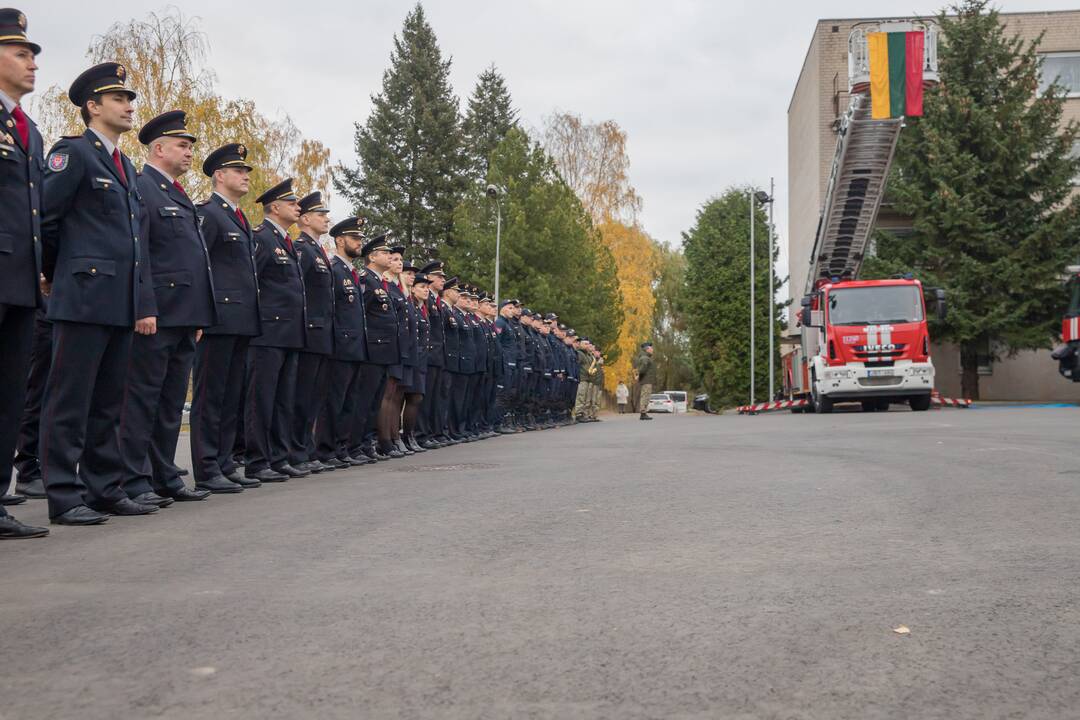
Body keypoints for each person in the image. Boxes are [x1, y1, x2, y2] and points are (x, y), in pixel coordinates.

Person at [40, 62, 156, 524]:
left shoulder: (124, 165)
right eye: (119, 99)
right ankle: (63, 494)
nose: (129, 106)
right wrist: (59, 275)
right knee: (70, 399)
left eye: (129, 99)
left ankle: (105, 487)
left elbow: (134, 241)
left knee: (109, 401)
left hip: (118, 300)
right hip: (83, 295)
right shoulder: (73, 154)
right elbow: (47, 220)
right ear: (92, 105)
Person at [118, 110, 215, 507]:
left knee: (171, 400)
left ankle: (163, 474)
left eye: (191, 146)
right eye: (182, 145)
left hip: (183, 315)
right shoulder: (142, 187)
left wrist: (197, 316)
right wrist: (144, 307)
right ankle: (133, 476)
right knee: (141, 398)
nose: (190, 152)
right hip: (155, 313)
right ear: (158, 149)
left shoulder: (176, 193)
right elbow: (140, 254)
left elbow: (192, 259)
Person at [0, 8, 48, 537]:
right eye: (20, 52)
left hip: (21, 279)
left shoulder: (27, 129)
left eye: (33, 53)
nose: (32, 62)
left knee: (9, 393)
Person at [189, 142, 261, 494]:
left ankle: (223, 461)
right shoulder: (209, 213)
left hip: (242, 320)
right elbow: (199, 263)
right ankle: (205, 466)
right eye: (238, 170)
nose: (246, 176)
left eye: (246, 171)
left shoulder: (238, 217)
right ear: (219, 176)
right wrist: (200, 313)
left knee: (232, 395)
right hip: (217, 319)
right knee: (210, 396)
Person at [245, 178, 306, 482]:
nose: (298, 207)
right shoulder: (263, 238)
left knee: (284, 399)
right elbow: (251, 281)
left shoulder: (286, 242)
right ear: (275, 206)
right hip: (268, 333)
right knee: (262, 399)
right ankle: (257, 460)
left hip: (290, 334)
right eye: (293, 202)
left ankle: (279, 457)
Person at [314, 216, 373, 468]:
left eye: (360, 238)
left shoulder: (352, 272)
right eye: (355, 238)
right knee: (333, 401)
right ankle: (326, 449)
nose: (359, 243)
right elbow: (331, 310)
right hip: (340, 345)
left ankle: (342, 446)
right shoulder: (334, 269)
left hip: (356, 345)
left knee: (349, 401)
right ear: (340, 240)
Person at [289, 191, 334, 474]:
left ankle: (305, 447)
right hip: (308, 331)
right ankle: (296, 450)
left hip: (322, 333)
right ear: (305, 219)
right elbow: (299, 292)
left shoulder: (318, 250)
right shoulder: (303, 249)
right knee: (302, 395)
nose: (326, 219)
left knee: (314, 396)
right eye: (320, 215)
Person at [347, 234, 398, 462]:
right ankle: (355, 445)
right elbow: (362, 314)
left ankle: (367, 443)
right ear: (372, 256)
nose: (389, 256)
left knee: (374, 401)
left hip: (384, 350)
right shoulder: (366, 279)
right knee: (364, 400)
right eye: (385, 253)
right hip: (371, 349)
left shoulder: (381, 282)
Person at [634, 341, 656, 421]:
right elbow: (642, 369)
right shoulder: (645, 358)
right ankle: (643, 413)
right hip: (646, 380)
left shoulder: (645, 357)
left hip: (646, 380)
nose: (652, 349)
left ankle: (644, 412)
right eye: (651, 348)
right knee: (645, 396)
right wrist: (639, 375)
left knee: (646, 396)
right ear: (647, 349)